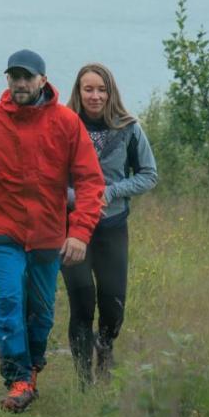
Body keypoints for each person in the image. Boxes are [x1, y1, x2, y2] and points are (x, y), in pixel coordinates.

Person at [0, 49, 105, 412]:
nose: (21, 83)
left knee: (42, 310)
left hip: (48, 233)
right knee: (7, 301)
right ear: (7, 80)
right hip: (3, 231)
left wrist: (80, 232)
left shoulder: (67, 122)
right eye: (15, 77)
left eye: (28, 77)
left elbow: (90, 181)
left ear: (42, 79)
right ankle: (17, 377)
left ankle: (33, 366)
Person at [62, 63, 158, 384]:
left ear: (111, 92)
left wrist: (111, 191)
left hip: (113, 226)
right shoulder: (63, 125)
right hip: (73, 229)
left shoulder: (128, 128)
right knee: (82, 300)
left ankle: (105, 349)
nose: (95, 95)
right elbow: (49, 178)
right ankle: (83, 381)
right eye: (88, 89)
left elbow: (149, 175)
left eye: (101, 89)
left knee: (113, 304)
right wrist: (80, 197)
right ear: (78, 91)